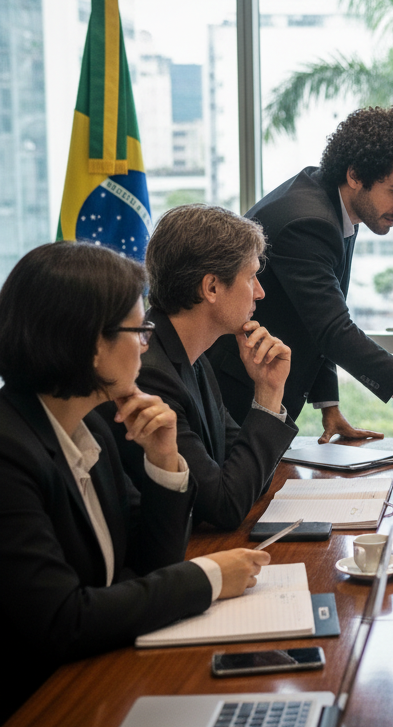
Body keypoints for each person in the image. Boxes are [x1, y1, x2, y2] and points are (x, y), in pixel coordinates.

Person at [0, 242, 269, 723]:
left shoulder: (93, 426)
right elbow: (64, 620)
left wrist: (164, 459)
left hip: (90, 683)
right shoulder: (9, 452)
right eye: (137, 330)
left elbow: (147, 565)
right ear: (90, 343)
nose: (146, 344)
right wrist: (206, 578)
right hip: (31, 718)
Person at [210, 105, 393, 442]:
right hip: (234, 394)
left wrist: (328, 406)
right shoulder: (309, 221)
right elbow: (333, 330)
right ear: (355, 176)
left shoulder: (336, 204)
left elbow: (314, 315)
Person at [112, 204, 297, 531]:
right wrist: (267, 395)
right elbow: (224, 506)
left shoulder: (190, 355)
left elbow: (248, 479)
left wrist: (268, 391)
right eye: (251, 276)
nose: (260, 292)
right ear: (211, 287)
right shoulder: (148, 371)